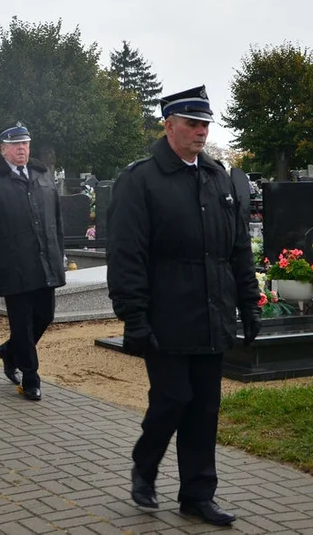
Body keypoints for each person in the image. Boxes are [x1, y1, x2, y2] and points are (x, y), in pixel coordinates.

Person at [106, 85, 259, 527]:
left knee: (204, 408)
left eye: (206, 124)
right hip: (166, 314)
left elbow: (237, 250)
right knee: (172, 399)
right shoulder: (140, 180)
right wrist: (133, 317)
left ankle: (197, 494)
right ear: (169, 125)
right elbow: (127, 254)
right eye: (192, 124)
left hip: (212, 312)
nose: (201, 132)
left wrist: (248, 304)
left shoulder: (217, 177)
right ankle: (145, 464)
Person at [0, 122, 64, 401]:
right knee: (21, 323)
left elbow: (54, 220)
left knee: (45, 316)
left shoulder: (42, 175)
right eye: (15, 145)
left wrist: (59, 254)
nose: (22, 149)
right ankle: (31, 377)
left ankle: (10, 351)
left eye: (25, 144)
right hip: (13, 264)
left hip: (44, 262)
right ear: (3, 149)